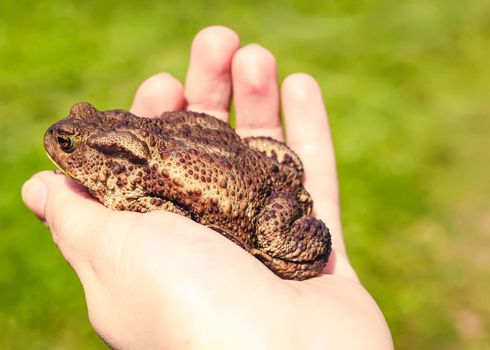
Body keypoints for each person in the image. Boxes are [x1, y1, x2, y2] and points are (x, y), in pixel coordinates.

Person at [22, 26, 393, 349]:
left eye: (68, 144)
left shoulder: (135, 187)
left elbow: (179, 211)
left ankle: (282, 246)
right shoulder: (134, 164)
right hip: (244, 158)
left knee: (273, 234)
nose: (58, 142)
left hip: (265, 204)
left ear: (110, 158)